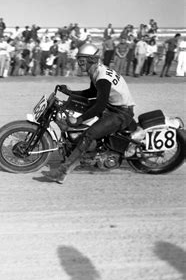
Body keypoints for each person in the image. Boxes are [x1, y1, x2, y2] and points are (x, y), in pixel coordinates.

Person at [43, 43, 135, 184]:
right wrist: (70, 93)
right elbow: (92, 93)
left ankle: (62, 172)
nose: (79, 64)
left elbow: (100, 105)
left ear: (91, 59)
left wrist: (80, 119)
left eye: (82, 61)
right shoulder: (96, 71)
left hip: (121, 113)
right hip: (112, 107)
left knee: (89, 134)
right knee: (78, 105)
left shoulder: (102, 77)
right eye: (78, 60)